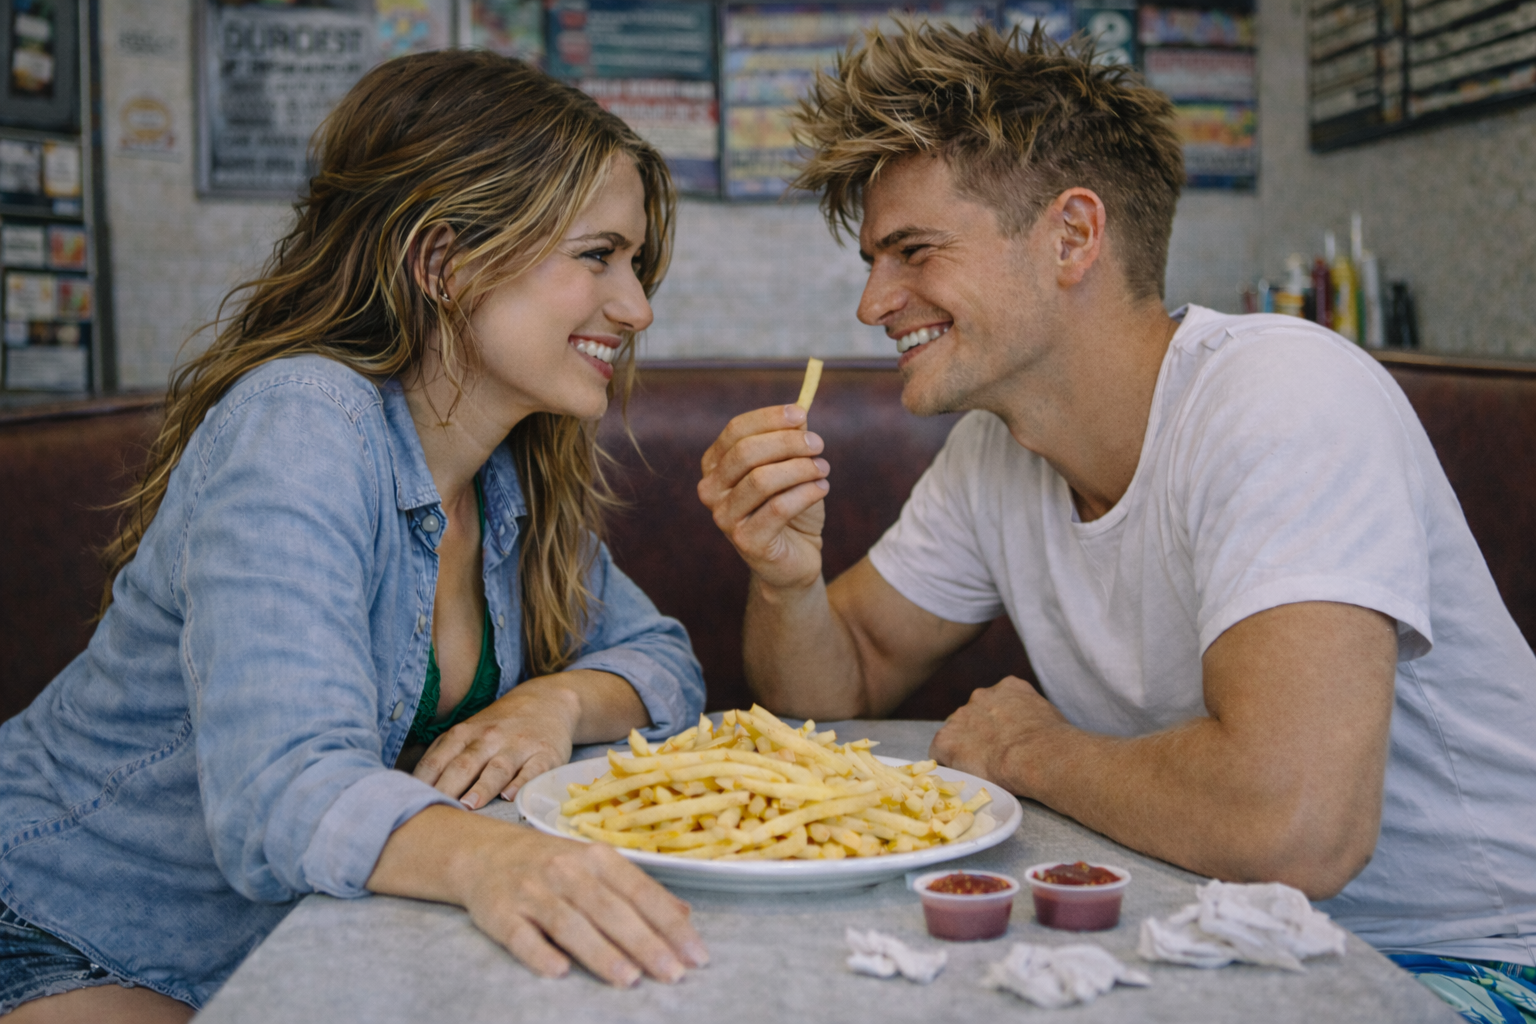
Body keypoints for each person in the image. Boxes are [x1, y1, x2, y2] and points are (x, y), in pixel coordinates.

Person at [697, 22, 1536, 1022]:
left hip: (1464, 961)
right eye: (876, 260)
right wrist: (786, 577)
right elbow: (840, 685)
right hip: (1225, 940)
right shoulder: (996, 448)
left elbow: (1295, 827)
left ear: (1073, 236)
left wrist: (1031, 751)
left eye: (913, 251)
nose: (875, 302)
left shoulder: (1283, 397)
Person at [0, 50, 710, 1022]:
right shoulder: (305, 419)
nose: (636, 307)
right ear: (440, 261)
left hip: (295, 946)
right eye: (598, 257)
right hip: (65, 925)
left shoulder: (507, 467)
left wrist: (555, 701)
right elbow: (280, 793)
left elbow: (663, 660)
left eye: (634, 263)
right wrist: (499, 858)